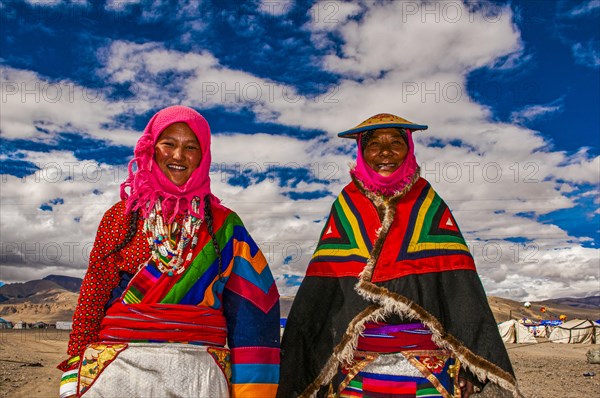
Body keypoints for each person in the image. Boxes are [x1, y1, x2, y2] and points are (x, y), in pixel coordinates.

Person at [278, 114, 521, 398]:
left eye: (396, 142)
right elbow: (322, 291)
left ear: (409, 149)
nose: (385, 152)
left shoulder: (428, 203)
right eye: (374, 144)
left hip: (430, 370)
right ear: (361, 152)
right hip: (355, 369)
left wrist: (468, 366)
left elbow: (459, 290)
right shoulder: (346, 206)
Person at [58, 106, 280, 398]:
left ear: (203, 157)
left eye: (191, 147)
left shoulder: (224, 226)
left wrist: (251, 388)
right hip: (120, 368)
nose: (178, 155)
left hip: (199, 375)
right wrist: (75, 364)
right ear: (151, 149)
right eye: (169, 144)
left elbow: (253, 304)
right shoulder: (121, 217)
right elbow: (95, 289)